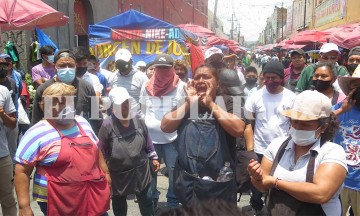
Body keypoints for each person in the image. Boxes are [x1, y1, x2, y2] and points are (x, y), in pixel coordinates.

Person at [15, 82, 110, 216]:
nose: (65, 106)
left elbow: (97, 148)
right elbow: (22, 171)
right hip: (58, 201)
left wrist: (106, 175)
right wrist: (24, 207)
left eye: (68, 101)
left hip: (92, 193)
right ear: (44, 105)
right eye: (58, 102)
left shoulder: (82, 122)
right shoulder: (36, 133)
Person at [247, 90, 347, 216]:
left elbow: (321, 194)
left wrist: (275, 182)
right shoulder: (277, 145)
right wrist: (256, 177)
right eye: (295, 121)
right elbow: (263, 185)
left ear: (323, 126)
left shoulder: (332, 152)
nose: (298, 127)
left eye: (306, 124)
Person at [161, 64, 245, 205]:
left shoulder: (229, 101)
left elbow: (238, 129)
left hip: (218, 186)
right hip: (188, 183)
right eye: (197, 77)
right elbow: (165, 126)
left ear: (217, 82)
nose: (201, 80)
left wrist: (211, 104)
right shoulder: (186, 102)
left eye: (206, 77)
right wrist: (189, 104)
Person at [98, 87, 160, 216]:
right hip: (118, 174)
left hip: (141, 171)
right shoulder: (107, 124)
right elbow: (101, 150)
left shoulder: (138, 119)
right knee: (119, 204)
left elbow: (147, 138)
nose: (125, 106)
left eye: (126, 102)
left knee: (146, 201)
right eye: (121, 104)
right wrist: (105, 173)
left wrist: (153, 157)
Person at [244, 61, 296, 213]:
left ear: (281, 78)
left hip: (284, 150)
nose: (270, 81)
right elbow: (248, 124)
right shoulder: (255, 96)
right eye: (266, 78)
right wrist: (250, 150)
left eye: (274, 78)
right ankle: (256, 208)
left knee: (278, 184)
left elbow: (294, 124)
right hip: (260, 149)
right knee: (257, 184)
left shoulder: (291, 98)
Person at [140, 53, 186, 208]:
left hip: (172, 139)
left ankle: (173, 203)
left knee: (174, 174)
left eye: (166, 68)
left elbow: (183, 112)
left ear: (172, 68)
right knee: (151, 174)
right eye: (159, 67)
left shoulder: (181, 86)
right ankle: (152, 201)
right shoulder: (146, 86)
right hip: (150, 140)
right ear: (154, 68)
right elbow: (143, 110)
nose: (162, 71)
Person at [31, 49, 103, 135]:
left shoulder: (86, 87)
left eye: (70, 65)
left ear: (76, 67)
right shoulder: (44, 89)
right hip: (53, 140)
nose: (67, 69)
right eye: (62, 66)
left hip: (80, 139)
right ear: (54, 68)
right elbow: (36, 120)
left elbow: (96, 118)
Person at [333, 64, 360, 216]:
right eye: (355, 86)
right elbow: (317, 124)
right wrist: (340, 111)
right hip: (339, 181)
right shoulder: (340, 108)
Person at [0, 85, 17, 216]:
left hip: (2, 156)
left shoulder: (2, 90)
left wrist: (2, 114)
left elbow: (12, 124)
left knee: (8, 200)